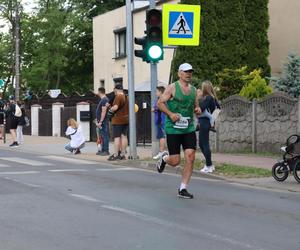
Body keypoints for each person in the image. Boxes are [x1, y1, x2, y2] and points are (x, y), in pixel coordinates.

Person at [157, 63, 201, 199]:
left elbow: (195, 106)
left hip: (188, 128)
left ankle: (183, 188)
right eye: (186, 72)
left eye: (190, 72)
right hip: (173, 129)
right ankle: (164, 158)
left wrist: (197, 109)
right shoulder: (172, 88)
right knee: (175, 161)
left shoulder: (194, 90)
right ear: (179, 73)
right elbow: (159, 103)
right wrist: (170, 114)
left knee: (190, 156)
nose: (189, 74)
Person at [198, 80, 219, 173]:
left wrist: (198, 98)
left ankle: (209, 165)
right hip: (205, 122)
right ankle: (209, 164)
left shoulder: (208, 98)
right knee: (202, 144)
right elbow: (218, 108)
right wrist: (213, 120)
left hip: (204, 122)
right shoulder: (212, 98)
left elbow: (201, 108)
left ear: (204, 88)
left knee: (204, 144)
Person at [107, 84, 129, 161]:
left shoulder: (118, 96)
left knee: (117, 137)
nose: (114, 93)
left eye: (114, 91)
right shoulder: (127, 97)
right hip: (126, 119)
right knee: (124, 136)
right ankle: (123, 154)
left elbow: (115, 107)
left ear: (115, 90)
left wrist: (110, 111)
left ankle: (116, 155)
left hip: (118, 120)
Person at [152, 86, 167, 160]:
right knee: (161, 136)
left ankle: (161, 152)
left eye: (157, 91)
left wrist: (154, 108)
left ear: (161, 92)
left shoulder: (163, 100)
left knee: (162, 136)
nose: (156, 93)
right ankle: (162, 152)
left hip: (161, 120)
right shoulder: (159, 99)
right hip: (159, 121)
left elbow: (160, 107)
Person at [95, 87, 110, 156]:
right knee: (103, 136)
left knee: (105, 136)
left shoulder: (104, 100)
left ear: (100, 92)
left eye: (97, 92)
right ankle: (103, 150)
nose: (97, 93)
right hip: (102, 121)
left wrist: (100, 121)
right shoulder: (103, 100)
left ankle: (106, 150)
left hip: (103, 121)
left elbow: (103, 111)